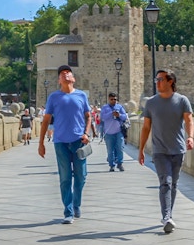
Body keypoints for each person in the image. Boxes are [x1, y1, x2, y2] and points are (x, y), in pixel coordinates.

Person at [138, 69, 194, 234]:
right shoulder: (151, 103)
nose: (157, 82)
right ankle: (167, 216)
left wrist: (190, 137)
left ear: (170, 81)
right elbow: (146, 127)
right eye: (156, 79)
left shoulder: (182, 100)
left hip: (178, 150)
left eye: (161, 79)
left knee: (174, 184)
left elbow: (189, 120)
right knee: (166, 182)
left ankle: (168, 213)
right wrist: (141, 150)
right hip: (159, 151)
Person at [38, 65, 91, 224]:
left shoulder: (81, 96)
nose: (65, 74)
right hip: (60, 142)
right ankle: (68, 211)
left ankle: (76, 204)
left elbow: (88, 116)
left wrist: (86, 133)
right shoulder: (54, 97)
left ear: (73, 78)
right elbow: (46, 120)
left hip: (78, 142)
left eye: (68, 73)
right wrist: (41, 143)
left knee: (81, 176)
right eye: (62, 74)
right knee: (65, 178)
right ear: (59, 80)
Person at [100, 92, 127, 172]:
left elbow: (125, 116)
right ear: (109, 99)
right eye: (112, 99)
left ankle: (120, 163)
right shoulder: (105, 108)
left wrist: (119, 115)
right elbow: (102, 117)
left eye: (115, 99)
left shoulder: (120, 107)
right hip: (108, 133)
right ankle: (111, 165)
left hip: (119, 131)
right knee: (110, 150)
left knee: (120, 147)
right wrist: (111, 114)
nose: (113, 101)